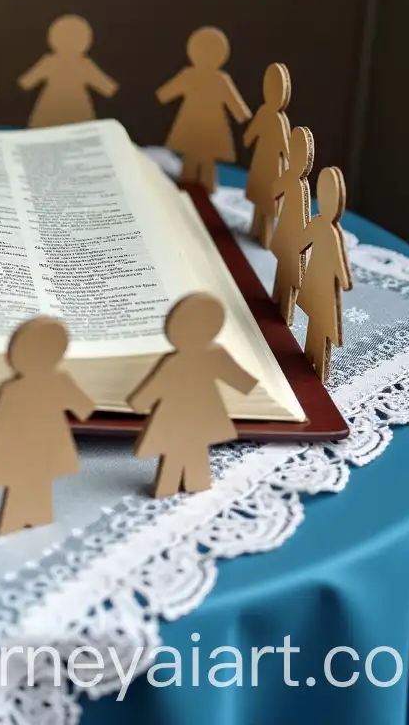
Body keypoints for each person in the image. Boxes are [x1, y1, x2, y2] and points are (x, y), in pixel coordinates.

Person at [0, 317, 95, 535]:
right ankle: (28, 518)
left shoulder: (14, 389)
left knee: (27, 481)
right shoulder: (52, 381)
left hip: (29, 446)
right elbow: (84, 408)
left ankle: (22, 520)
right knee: (34, 481)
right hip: (41, 445)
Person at [129, 293, 257, 497]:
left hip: (179, 414)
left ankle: (176, 485)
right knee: (189, 449)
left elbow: (152, 390)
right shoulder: (199, 357)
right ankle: (185, 483)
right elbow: (242, 381)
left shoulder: (183, 360)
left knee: (185, 449)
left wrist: (138, 403)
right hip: (198, 413)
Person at [155, 27, 251, 193]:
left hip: (204, 125)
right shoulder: (202, 76)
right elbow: (166, 93)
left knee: (203, 159)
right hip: (198, 124)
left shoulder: (215, 78)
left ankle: (205, 189)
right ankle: (189, 187)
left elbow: (165, 94)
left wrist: (242, 115)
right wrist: (242, 115)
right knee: (193, 159)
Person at [296, 167, 353, 382]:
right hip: (321, 281)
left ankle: (316, 360)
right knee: (318, 317)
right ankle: (312, 356)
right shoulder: (324, 227)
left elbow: (302, 244)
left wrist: (345, 282)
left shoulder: (323, 226)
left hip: (319, 280)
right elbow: (340, 267)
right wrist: (346, 282)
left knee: (318, 318)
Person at [18, 15, 117, 127]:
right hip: (73, 114)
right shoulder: (83, 64)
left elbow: (26, 82)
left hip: (59, 113)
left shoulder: (51, 62)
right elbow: (108, 88)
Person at [242, 63, 292, 248]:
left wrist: (290, 164)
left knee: (268, 200)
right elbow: (252, 132)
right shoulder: (263, 112)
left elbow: (286, 147)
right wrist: (248, 137)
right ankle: (255, 229)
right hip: (262, 161)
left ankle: (265, 235)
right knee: (259, 194)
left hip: (272, 164)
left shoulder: (280, 121)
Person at [271, 127, 315, 323]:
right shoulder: (291, 178)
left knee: (289, 270)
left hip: (293, 234)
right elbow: (274, 191)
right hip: (286, 230)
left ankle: (284, 308)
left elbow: (303, 217)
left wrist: (303, 243)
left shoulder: (299, 185)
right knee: (284, 266)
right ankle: (276, 299)